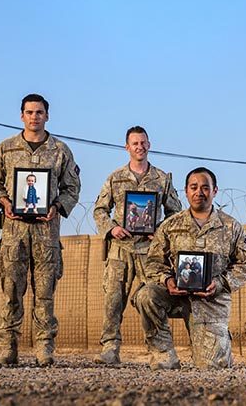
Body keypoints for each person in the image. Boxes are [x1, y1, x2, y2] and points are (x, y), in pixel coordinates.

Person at [0, 93, 81, 367]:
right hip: (14, 231)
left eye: (39, 112)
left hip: (46, 233)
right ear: (21, 116)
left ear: (47, 116)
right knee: (11, 291)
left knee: (45, 293)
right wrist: (3, 202)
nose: (34, 117)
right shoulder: (7, 149)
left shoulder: (60, 151)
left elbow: (72, 187)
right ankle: (8, 348)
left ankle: (44, 349)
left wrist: (57, 206)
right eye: (29, 112)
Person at [134, 167, 246, 369]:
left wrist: (220, 283)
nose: (199, 192)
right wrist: (167, 280)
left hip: (211, 301)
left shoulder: (230, 226)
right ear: (186, 191)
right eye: (194, 187)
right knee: (146, 295)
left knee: (212, 368)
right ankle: (164, 355)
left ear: (215, 191)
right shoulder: (170, 225)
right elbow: (154, 261)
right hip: (176, 295)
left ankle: (218, 346)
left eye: (205, 187)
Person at [92, 126, 182, 364]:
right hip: (120, 250)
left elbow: (176, 213)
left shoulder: (161, 179)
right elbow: (100, 210)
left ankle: (158, 350)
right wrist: (112, 228)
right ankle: (110, 348)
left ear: (149, 145)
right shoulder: (115, 178)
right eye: (135, 143)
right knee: (113, 300)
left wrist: (160, 230)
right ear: (127, 147)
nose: (139, 147)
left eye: (143, 143)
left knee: (151, 299)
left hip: (150, 252)